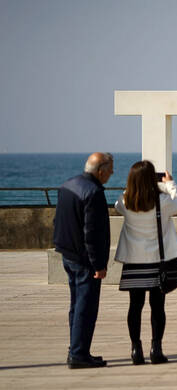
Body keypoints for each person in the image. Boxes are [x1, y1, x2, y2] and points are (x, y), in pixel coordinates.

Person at [114, 160, 177, 365]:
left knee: (134, 307)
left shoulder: (125, 202)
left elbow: (118, 204)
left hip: (133, 262)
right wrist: (170, 184)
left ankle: (136, 349)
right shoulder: (162, 202)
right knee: (157, 306)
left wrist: (132, 186)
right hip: (157, 262)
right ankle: (156, 349)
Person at [53, 152, 113, 369]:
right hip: (84, 260)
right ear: (101, 170)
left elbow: (58, 220)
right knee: (85, 307)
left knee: (76, 305)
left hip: (67, 254)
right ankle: (79, 354)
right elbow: (92, 233)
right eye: (110, 169)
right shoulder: (93, 192)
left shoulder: (68, 185)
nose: (112, 173)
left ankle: (76, 350)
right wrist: (98, 264)